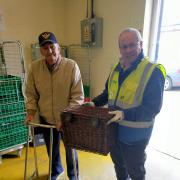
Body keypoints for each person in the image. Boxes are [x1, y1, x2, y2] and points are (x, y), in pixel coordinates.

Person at [87, 28, 166, 180]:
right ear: (119, 48)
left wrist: (124, 114)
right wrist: (94, 103)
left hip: (135, 137)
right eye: (124, 46)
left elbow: (153, 108)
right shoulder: (116, 68)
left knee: (135, 171)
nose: (128, 50)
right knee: (119, 167)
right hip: (114, 131)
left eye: (132, 45)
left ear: (141, 44)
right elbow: (108, 93)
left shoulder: (152, 71)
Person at [24, 31, 84, 180]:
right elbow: (31, 93)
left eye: (52, 46)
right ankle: (56, 170)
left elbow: (78, 97)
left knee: (71, 150)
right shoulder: (35, 68)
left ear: (58, 48)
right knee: (52, 149)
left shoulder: (71, 66)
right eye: (45, 48)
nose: (49, 51)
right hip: (46, 119)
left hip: (67, 119)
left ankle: (73, 175)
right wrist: (31, 111)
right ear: (41, 51)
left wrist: (65, 117)